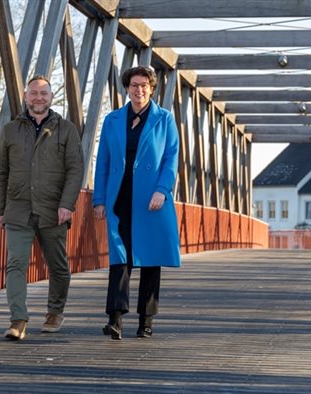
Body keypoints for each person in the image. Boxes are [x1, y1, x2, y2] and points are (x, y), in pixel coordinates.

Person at [0, 75, 84, 340]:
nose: (38, 98)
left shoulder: (66, 129)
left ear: (51, 97)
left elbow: (75, 170)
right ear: (25, 96)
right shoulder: (10, 130)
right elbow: (1, 172)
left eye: (44, 93)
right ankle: (18, 320)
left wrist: (67, 204)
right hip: (18, 208)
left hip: (54, 208)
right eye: (33, 93)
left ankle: (55, 312)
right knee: (16, 263)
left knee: (58, 266)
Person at [92, 66, 181, 340]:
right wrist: (99, 199)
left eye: (144, 85)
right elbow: (103, 161)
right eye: (133, 85)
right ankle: (115, 318)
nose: (138, 90)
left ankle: (146, 320)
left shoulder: (164, 119)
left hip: (150, 199)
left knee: (151, 259)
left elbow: (171, 158)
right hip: (119, 197)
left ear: (152, 88)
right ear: (126, 88)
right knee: (120, 258)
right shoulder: (113, 119)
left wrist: (162, 190)